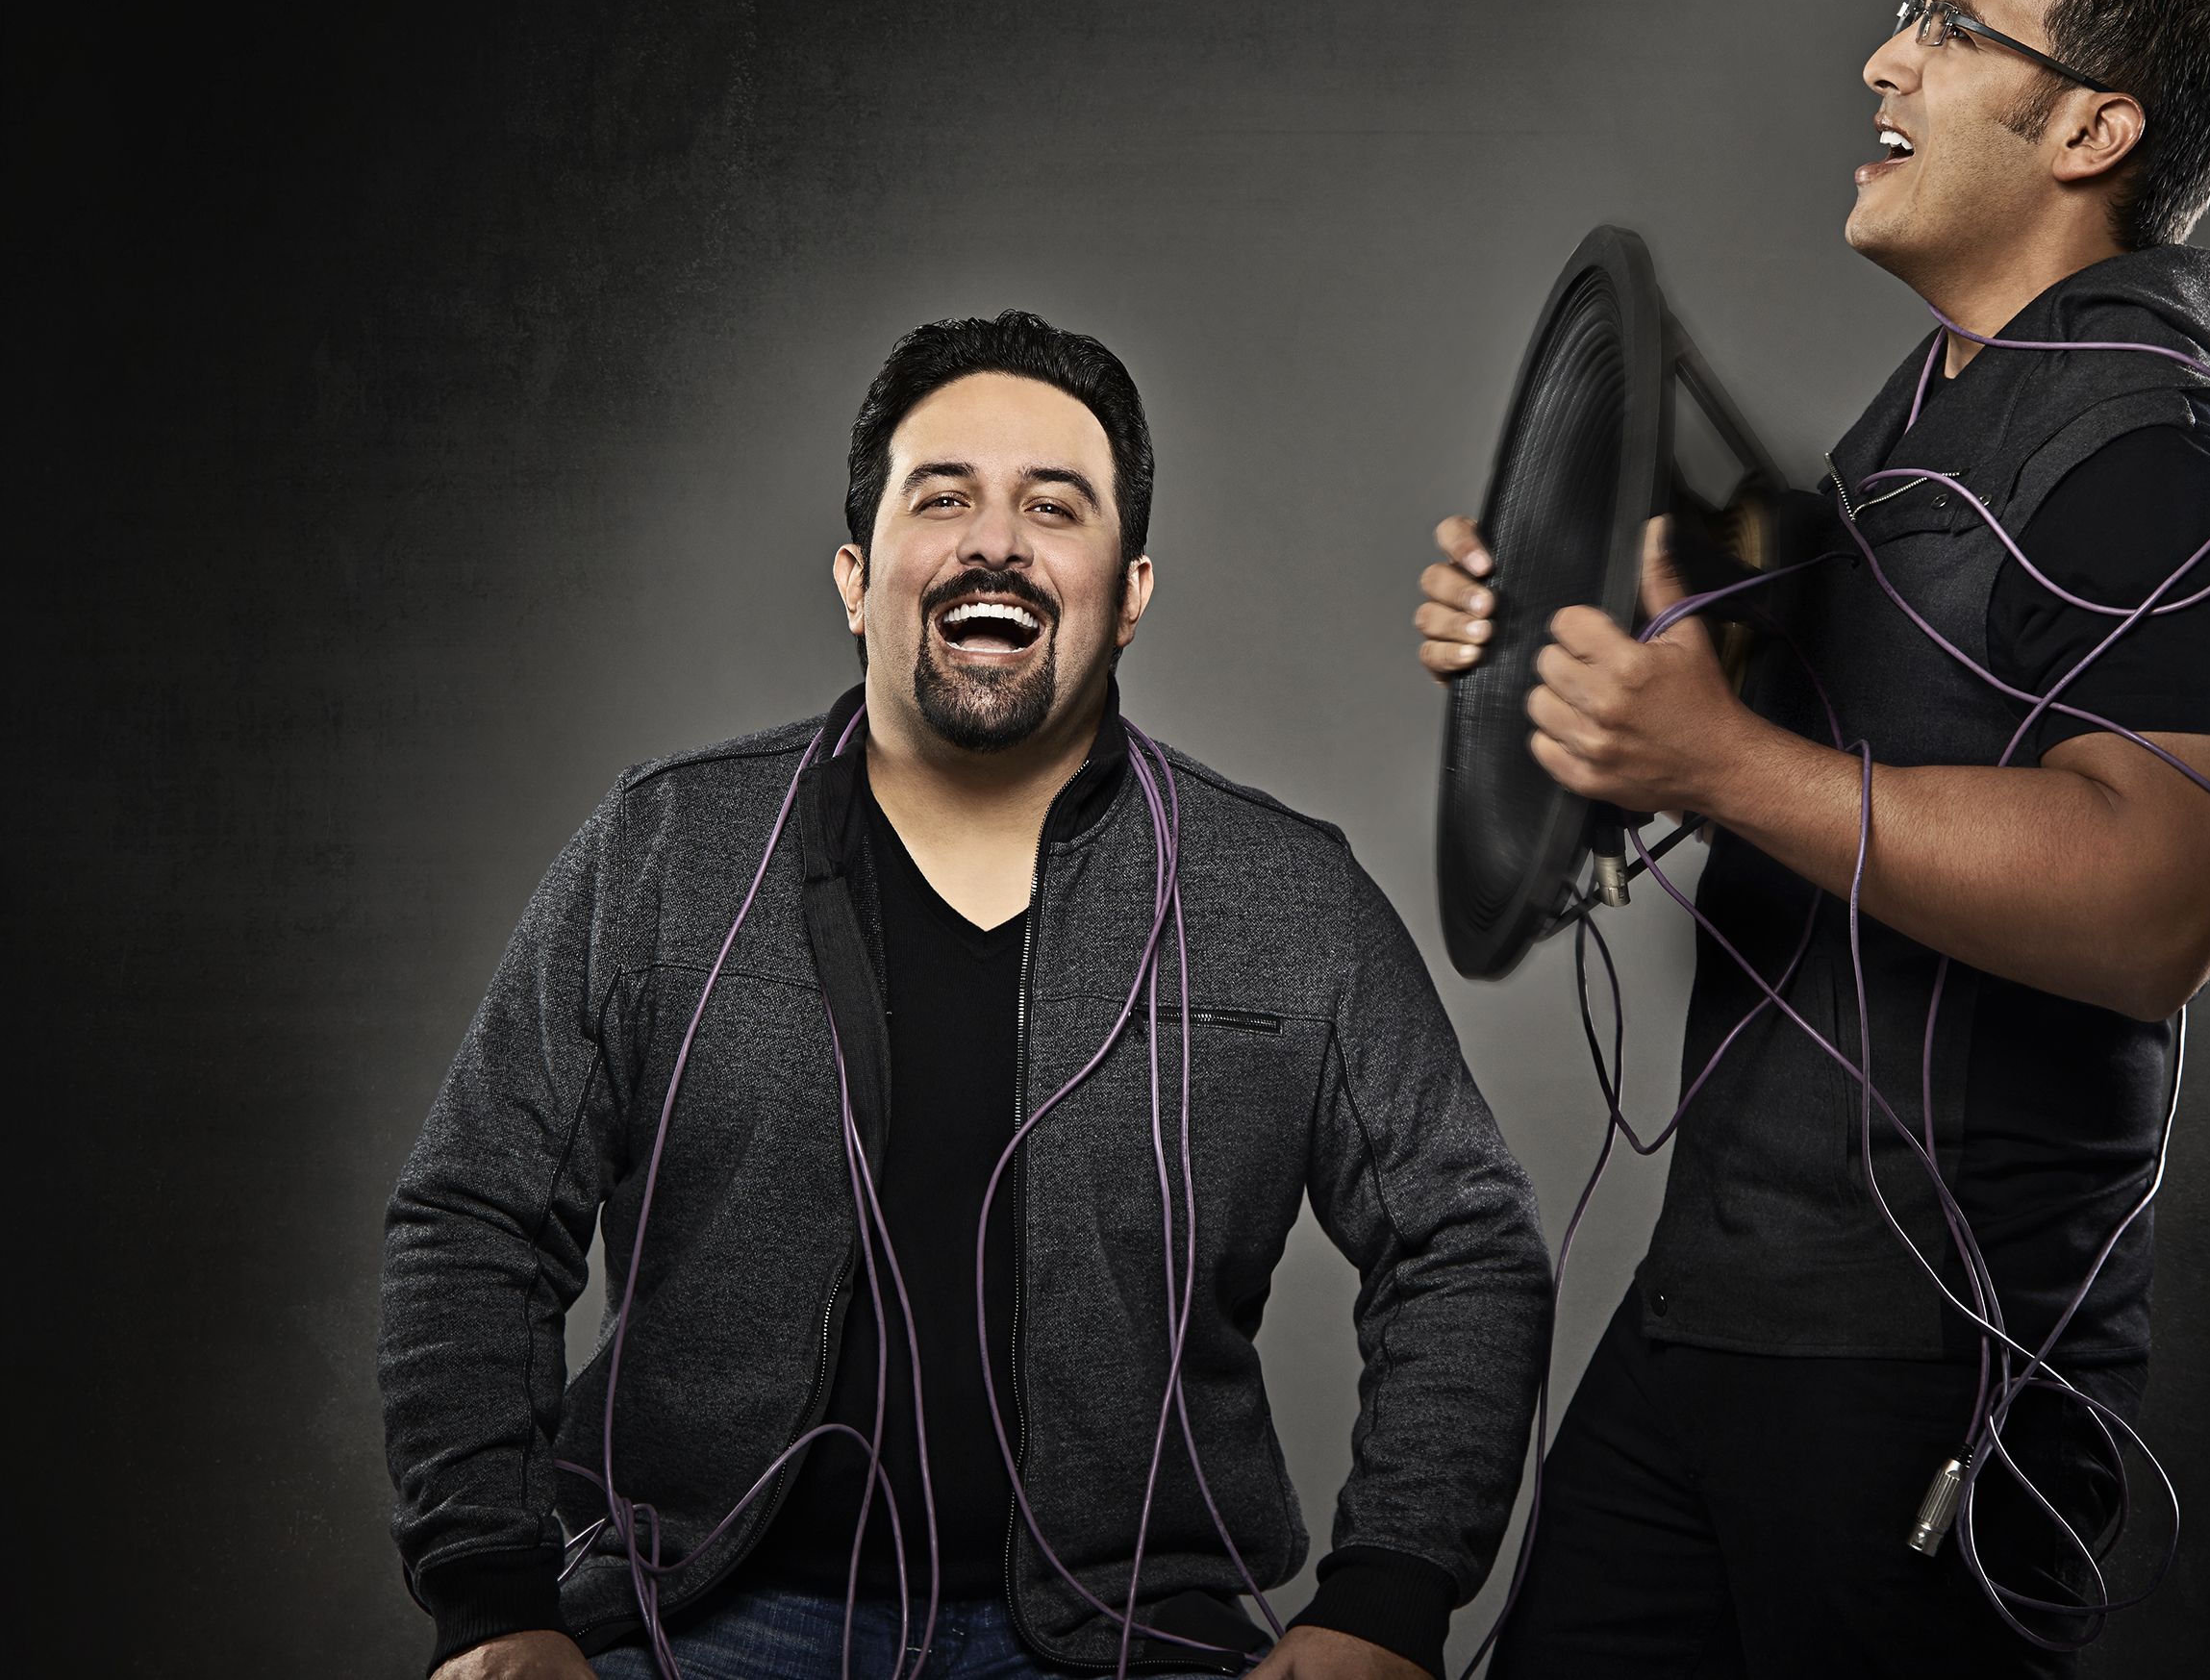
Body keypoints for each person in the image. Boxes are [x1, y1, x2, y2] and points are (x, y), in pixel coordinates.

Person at [1413, 0, 2210, 1676]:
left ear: (2092, 129)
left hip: (1931, 1363)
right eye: (1911, 16)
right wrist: (1568, 671)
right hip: (1715, 1300)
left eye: (1950, 30)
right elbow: (1814, 759)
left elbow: (2156, 901)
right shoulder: (1927, 414)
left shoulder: (2168, 447)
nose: (1882, 60)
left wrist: (1720, 758)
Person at [383, 312, 1552, 1680]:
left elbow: (1465, 1241)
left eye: (1054, 507)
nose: (995, 542)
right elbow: (475, 1216)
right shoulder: (665, 849)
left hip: (1124, 1630)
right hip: (693, 1612)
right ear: (855, 577)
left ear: (1130, 593)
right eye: (942, 498)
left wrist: (1386, 1600)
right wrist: (492, 1597)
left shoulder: (1286, 895)